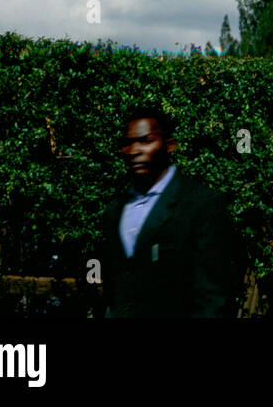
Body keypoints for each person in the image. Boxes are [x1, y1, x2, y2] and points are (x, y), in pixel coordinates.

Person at [98, 107, 236, 317]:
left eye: (146, 141)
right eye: (128, 143)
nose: (135, 150)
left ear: (169, 145)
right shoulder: (114, 212)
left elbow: (214, 297)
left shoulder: (200, 205)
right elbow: (113, 291)